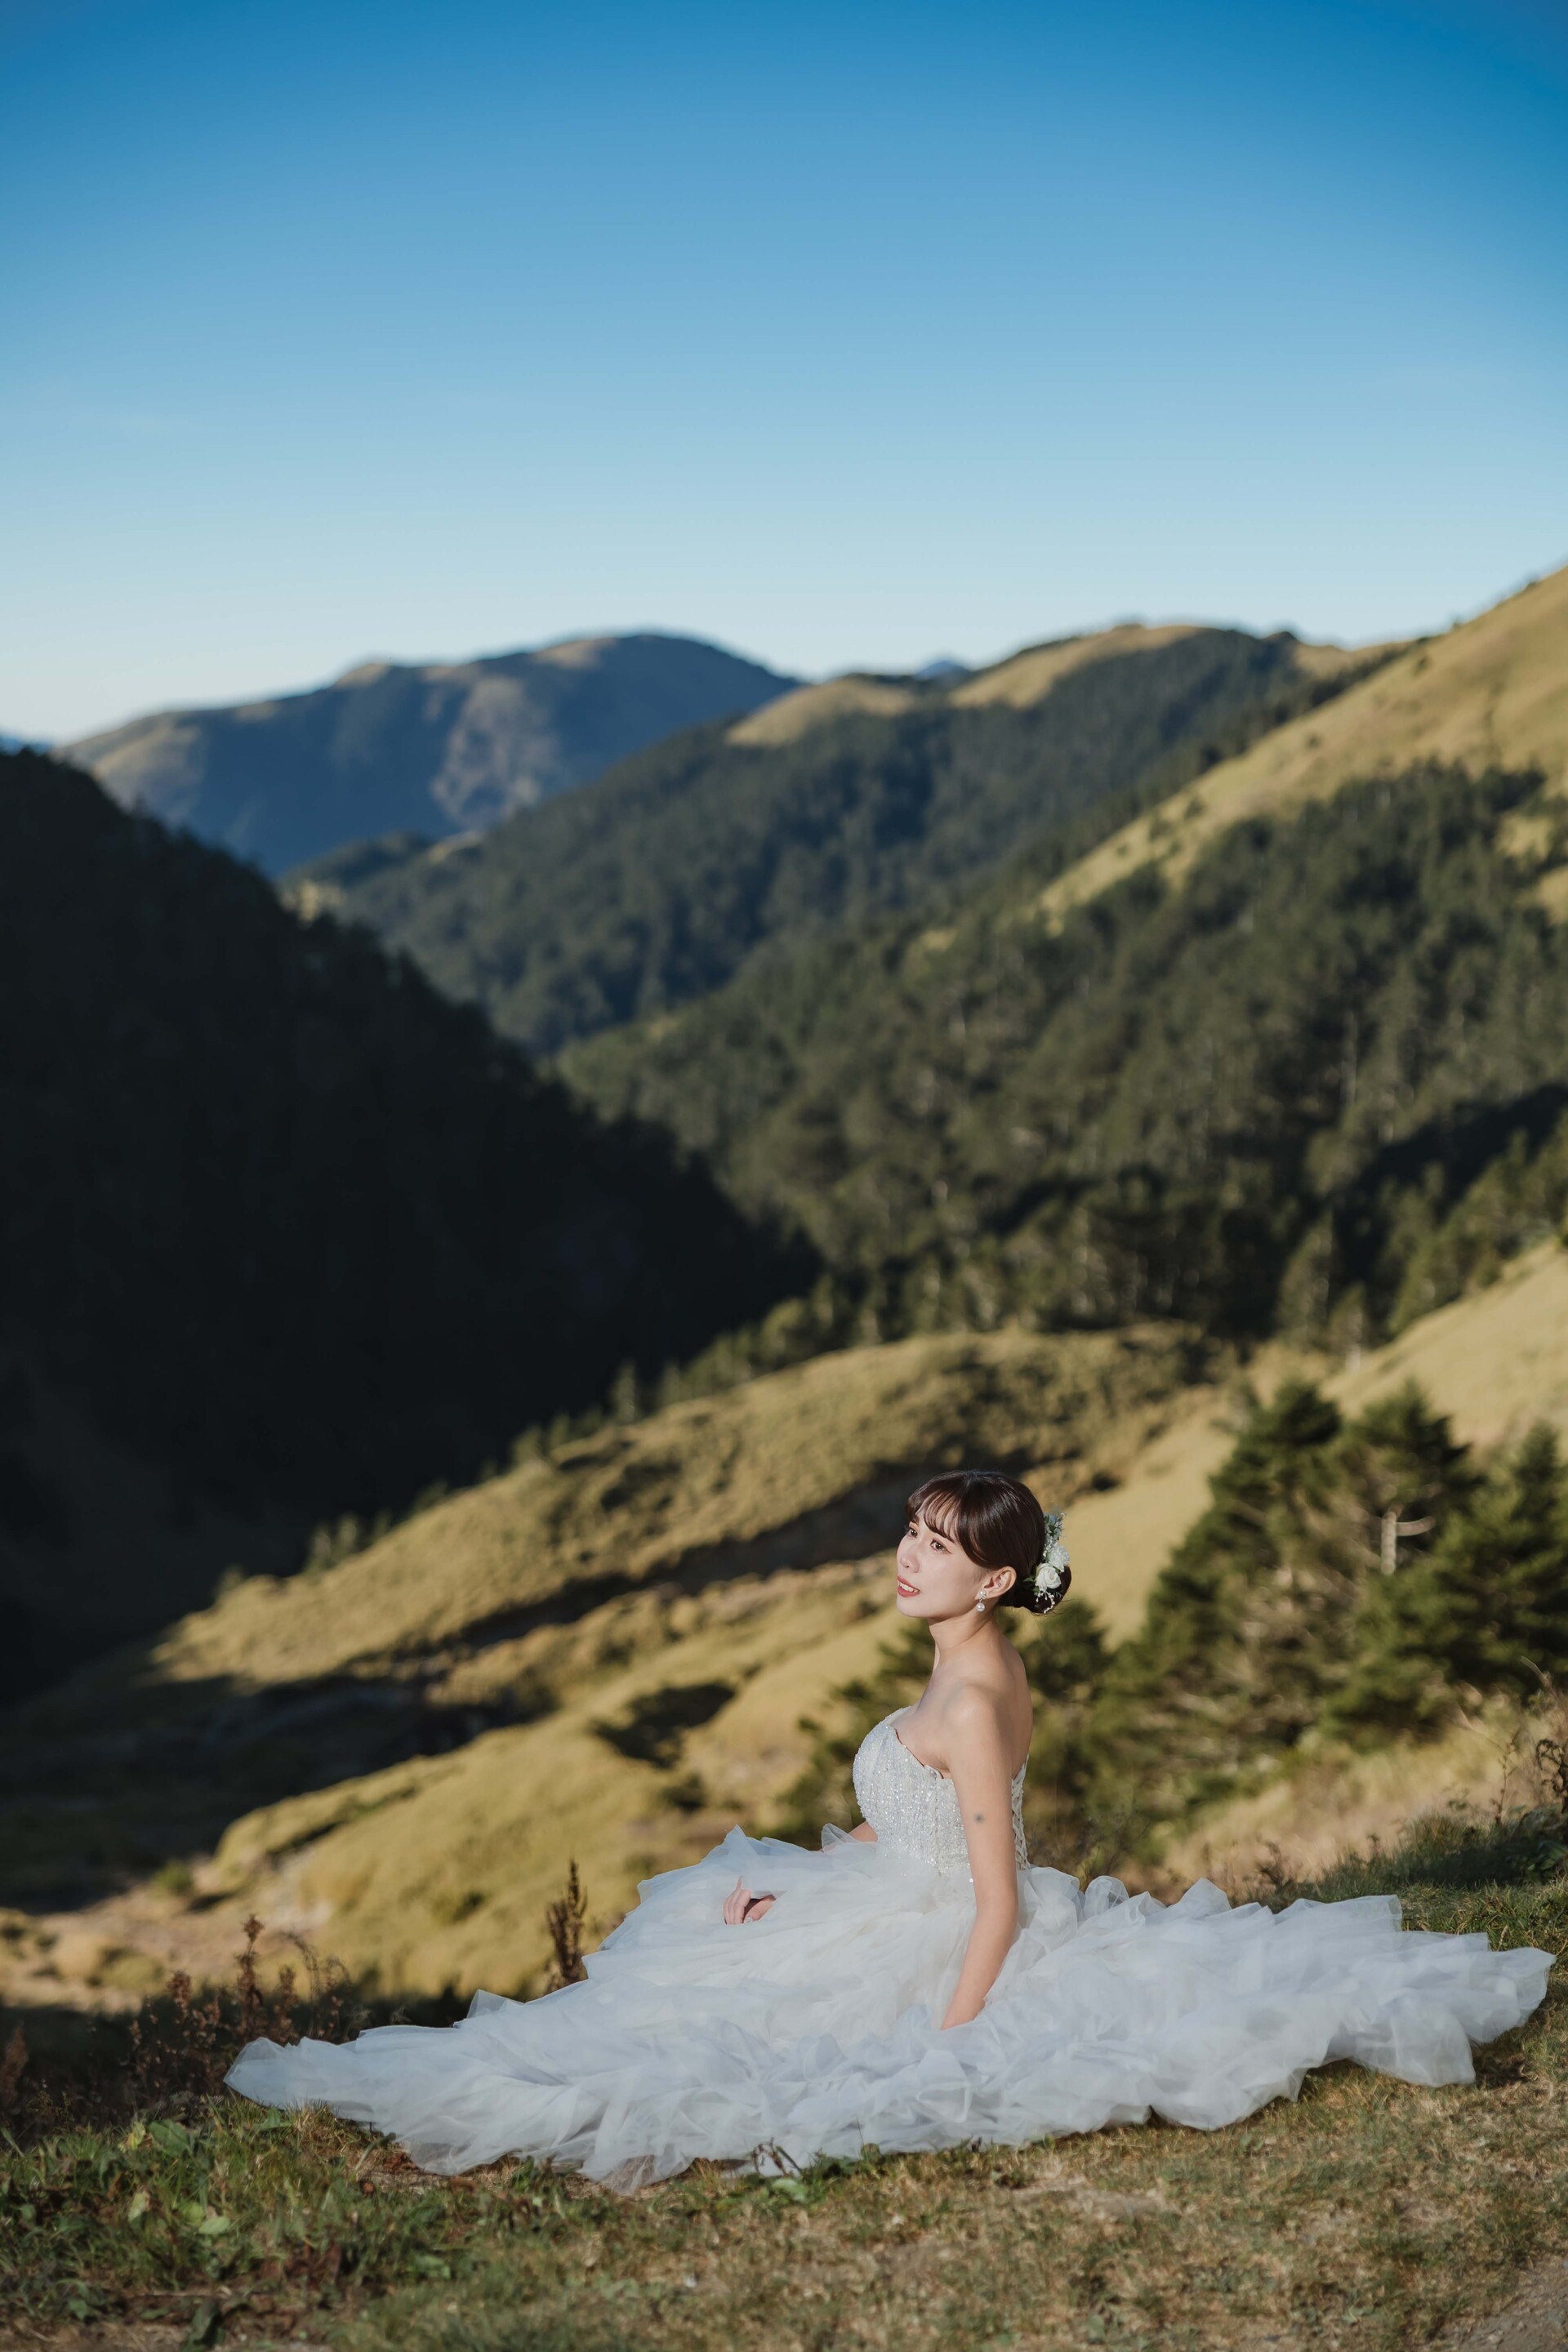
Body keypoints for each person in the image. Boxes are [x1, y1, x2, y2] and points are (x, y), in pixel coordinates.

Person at [226, 1470, 1552, 2188]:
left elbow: (995, 1894)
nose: (909, 1556)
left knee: (695, 2053)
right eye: (910, 1532)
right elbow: (920, 1833)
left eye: (938, 1545)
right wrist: (809, 1881)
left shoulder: (971, 1699)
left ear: (994, 1579)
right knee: (701, 1969)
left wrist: (950, 2040)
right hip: (896, 1897)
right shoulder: (962, 1668)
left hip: (949, 1935)